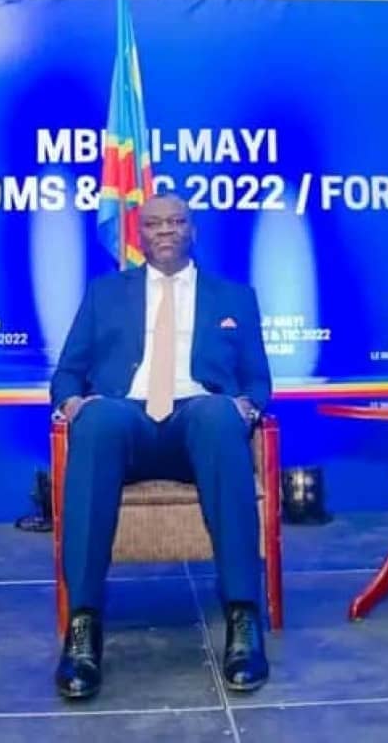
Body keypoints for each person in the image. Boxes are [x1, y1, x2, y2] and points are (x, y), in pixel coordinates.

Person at [50, 193, 271, 699]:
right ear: (139, 234)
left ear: (193, 229)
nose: (166, 230)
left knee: (219, 413)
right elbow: (67, 373)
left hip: (198, 425)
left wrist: (248, 407)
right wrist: (73, 404)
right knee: (98, 418)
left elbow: (258, 380)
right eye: (154, 224)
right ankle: (83, 627)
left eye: (176, 221)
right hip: (125, 420)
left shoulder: (235, 296)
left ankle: (243, 618)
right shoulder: (105, 293)